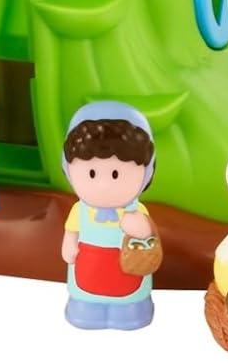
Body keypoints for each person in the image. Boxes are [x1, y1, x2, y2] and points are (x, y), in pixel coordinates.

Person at [60, 101, 157, 331]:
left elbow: (149, 236)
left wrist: (141, 228)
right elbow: (71, 232)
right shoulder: (79, 210)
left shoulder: (136, 211)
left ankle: (131, 309)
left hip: (127, 272)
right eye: (92, 173)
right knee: (85, 301)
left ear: (147, 172)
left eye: (115, 174)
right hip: (88, 272)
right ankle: (85, 307)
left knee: (130, 302)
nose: (103, 185)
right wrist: (69, 244)